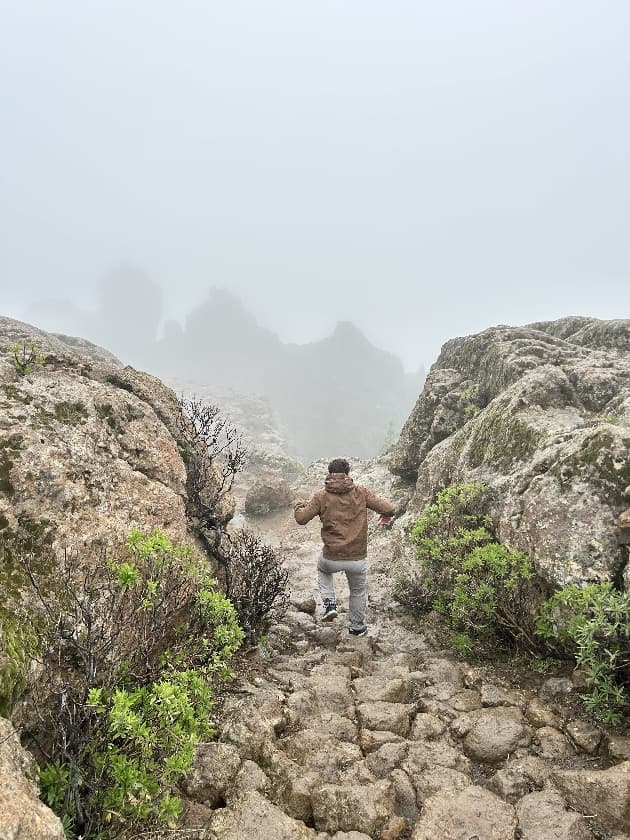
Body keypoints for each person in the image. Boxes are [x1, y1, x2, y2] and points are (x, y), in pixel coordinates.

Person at [293, 457, 395, 637]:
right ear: (348, 474)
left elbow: (301, 519)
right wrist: (385, 515)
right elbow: (389, 509)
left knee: (322, 570)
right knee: (357, 591)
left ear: (329, 474)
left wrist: (299, 506)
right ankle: (357, 627)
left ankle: (330, 604)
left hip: (331, 557)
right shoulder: (361, 492)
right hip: (356, 557)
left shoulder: (320, 496)